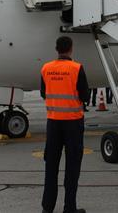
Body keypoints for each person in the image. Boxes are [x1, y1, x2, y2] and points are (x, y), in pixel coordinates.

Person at [40, 36, 89, 213]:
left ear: (57, 49)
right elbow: (85, 96)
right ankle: (69, 208)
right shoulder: (77, 68)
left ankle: (47, 207)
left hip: (53, 123)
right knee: (72, 167)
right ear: (70, 49)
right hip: (73, 124)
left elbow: (44, 93)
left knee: (51, 166)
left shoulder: (46, 68)